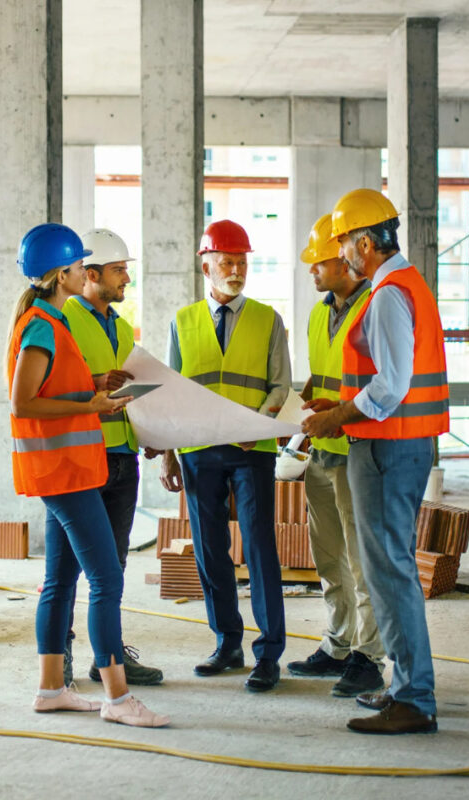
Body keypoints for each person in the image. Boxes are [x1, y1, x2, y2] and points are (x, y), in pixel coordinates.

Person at [8, 223, 169, 728]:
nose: (85, 270)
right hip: (65, 471)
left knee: (59, 581)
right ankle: (118, 698)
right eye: (80, 265)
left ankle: (51, 689)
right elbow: (23, 402)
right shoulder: (43, 326)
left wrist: (94, 388)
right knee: (106, 578)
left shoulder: (49, 322)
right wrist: (93, 407)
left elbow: (55, 388)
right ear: (63, 275)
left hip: (66, 468)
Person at [302, 189, 449, 735]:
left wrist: (338, 415)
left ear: (366, 243)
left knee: (389, 571)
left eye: (344, 243)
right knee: (391, 568)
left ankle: (413, 697)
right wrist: (338, 405)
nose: (341, 255)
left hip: (387, 447)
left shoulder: (388, 293)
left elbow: (390, 386)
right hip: (399, 444)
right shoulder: (407, 284)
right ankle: (404, 686)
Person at [158, 219, 291, 693]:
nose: (236, 270)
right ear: (206, 265)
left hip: (251, 451)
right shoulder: (182, 321)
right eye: (227, 262)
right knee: (211, 550)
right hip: (196, 452)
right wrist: (169, 455)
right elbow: (171, 391)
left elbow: (280, 385)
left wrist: (262, 423)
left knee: (259, 549)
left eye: (242, 262)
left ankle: (269, 652)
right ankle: (227, 642)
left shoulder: (268, 319)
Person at [284, 213, 388, 699]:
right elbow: (320, 379)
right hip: (321, 451)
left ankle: (370, 654)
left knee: (363, 560)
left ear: (344, 260)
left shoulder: (376, 305)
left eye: (319, 261)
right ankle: (340, 642)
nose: (312, 270)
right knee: (329, 559)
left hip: (358, 451)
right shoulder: (318, 313)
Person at [61, 228, 164, 688]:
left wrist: (153, 430)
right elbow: (51, 389)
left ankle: (108, 656)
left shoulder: (120, 326)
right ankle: (57, 652)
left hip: (122, 455)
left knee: (113, 566)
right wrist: (96, 381)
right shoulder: (63, 318)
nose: (127, 280)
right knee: (66, 565)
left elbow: (125, 393)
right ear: (91, 273)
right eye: (120, 271)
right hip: (81, 457)